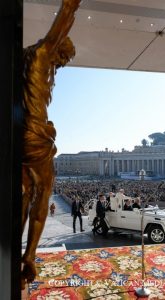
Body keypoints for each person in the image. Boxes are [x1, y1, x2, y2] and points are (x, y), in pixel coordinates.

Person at [21, 0, 80, 289]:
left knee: (23, 194)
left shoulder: (21, 60)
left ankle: (13, 255)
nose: (62, 64)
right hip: (34, 139)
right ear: (56, 47)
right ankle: (29, 256)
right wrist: (72, 5)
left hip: (20, 134)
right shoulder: (43, 55)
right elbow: (65, 17)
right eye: (64, 58)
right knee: (44, 190)